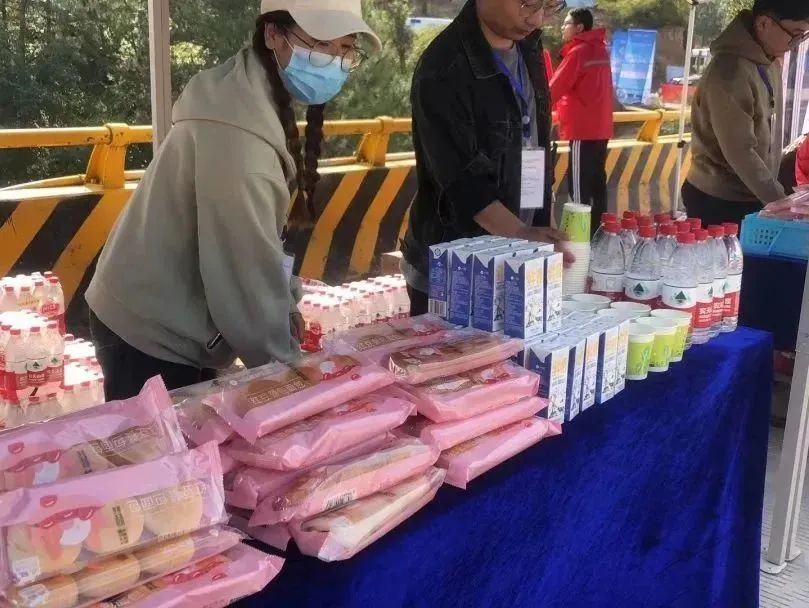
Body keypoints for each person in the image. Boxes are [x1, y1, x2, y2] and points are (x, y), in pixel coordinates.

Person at [85, 0, 380, 400]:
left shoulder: (248, 88)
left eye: (345, 48)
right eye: (321, 43)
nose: (334, 61)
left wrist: (286, 302)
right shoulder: (240, 142)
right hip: (149, 331)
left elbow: (262, 242)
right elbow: (245, 283)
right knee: (169, 441)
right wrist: (294, 379)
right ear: (272, 34)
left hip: (171, 310)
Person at [402, 0, 572, 315]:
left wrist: (543, 225)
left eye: (550, 6)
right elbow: (460, 180)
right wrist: (521, 233)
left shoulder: (528, 46)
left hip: (517, 256)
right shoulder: (443, 68)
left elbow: (534, 140)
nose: (537, 19)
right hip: (454, 268)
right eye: (528, 4)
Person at [683, 0, 809, 226]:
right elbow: (740, 151)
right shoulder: (729, 71)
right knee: (727, 250)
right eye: (795, 34)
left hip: (753, 193)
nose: (796, 44)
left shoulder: (768, 63)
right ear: (764, 23)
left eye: (803, 37)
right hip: (719, 199)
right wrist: (780, 201)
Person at [550, 8, 614, 234]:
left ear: (579, 28)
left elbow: (554, 89)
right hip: (601, 129)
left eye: (566, 23)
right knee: (597, 184)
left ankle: (579, 240)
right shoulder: (601, 51)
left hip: (582, 130)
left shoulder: (578, 52)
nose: (562, 27)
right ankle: (598, 235)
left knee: (578, 189)